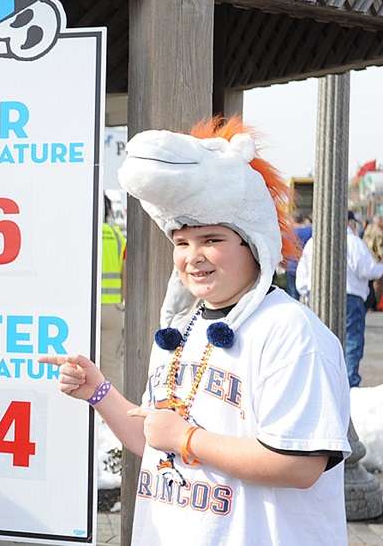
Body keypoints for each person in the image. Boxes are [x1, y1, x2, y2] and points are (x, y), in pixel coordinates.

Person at [42, 118, 350, 545]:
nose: (194, 257)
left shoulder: (291, 332)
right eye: (182, 242)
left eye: (212, 239)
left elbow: (300, 464)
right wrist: (97, 390)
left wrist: (187, 437)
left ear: (254, 242)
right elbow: (153, 437)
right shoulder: (179, 329)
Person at [296, 210, 383, 387]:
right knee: (351, 341)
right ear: (350, 222)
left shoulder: (314, 242)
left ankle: (323, 382)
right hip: (351, 297)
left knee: (320, 341)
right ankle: (348, 383)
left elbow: (302, 275)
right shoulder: (353, 242)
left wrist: (306, 293)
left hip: (316, 296)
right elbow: (367, 269)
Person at [99, 194, 125, 389]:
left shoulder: (81, 232)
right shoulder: (117, 235)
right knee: (111, 364)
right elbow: (125, 271)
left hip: (87, 309)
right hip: (113, 308)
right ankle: (111, 415)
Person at [283, 211, 311, 299]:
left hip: (291, 265)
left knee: (292, 295)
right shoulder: (310, 231)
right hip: (305, 265)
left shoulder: (289, 232)